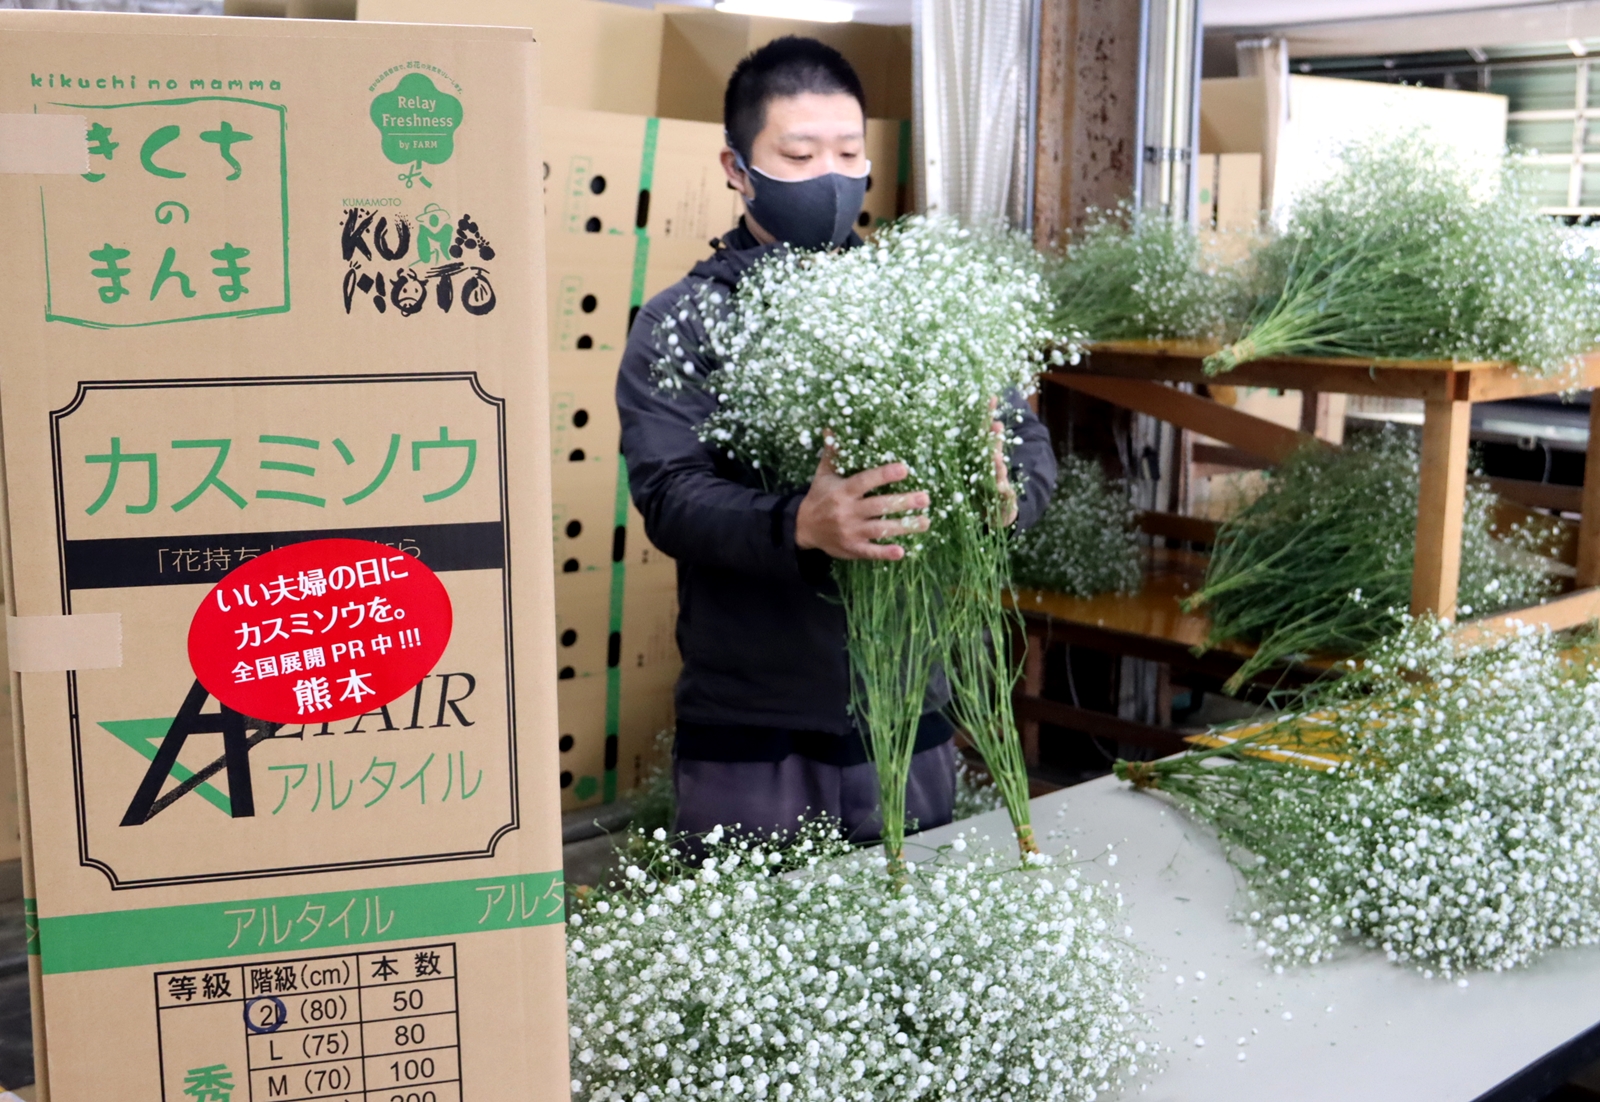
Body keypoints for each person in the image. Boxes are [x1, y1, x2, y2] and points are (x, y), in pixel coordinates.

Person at [615, 35, 1056, 841]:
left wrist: (1004, 497)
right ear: (736, 167)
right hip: (756, 722)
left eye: (849, 150)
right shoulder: (685, 320)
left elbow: (1024, 443)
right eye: (799, 152)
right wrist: (800, 524)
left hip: (909, 702)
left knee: (907, 936)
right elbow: (669, 497)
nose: (830, 173)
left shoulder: (921, 306)